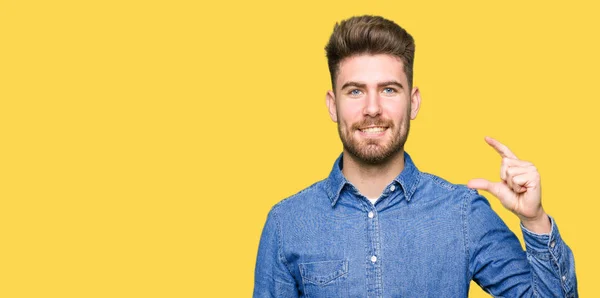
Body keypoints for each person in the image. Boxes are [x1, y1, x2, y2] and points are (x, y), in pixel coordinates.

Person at [253, 15, 577, 297]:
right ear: (331, 105)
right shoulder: (287, 223)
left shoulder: (463, 213)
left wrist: (534, 220)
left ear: (414, 102)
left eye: (389, 89)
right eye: (355, 91)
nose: (372, 108)